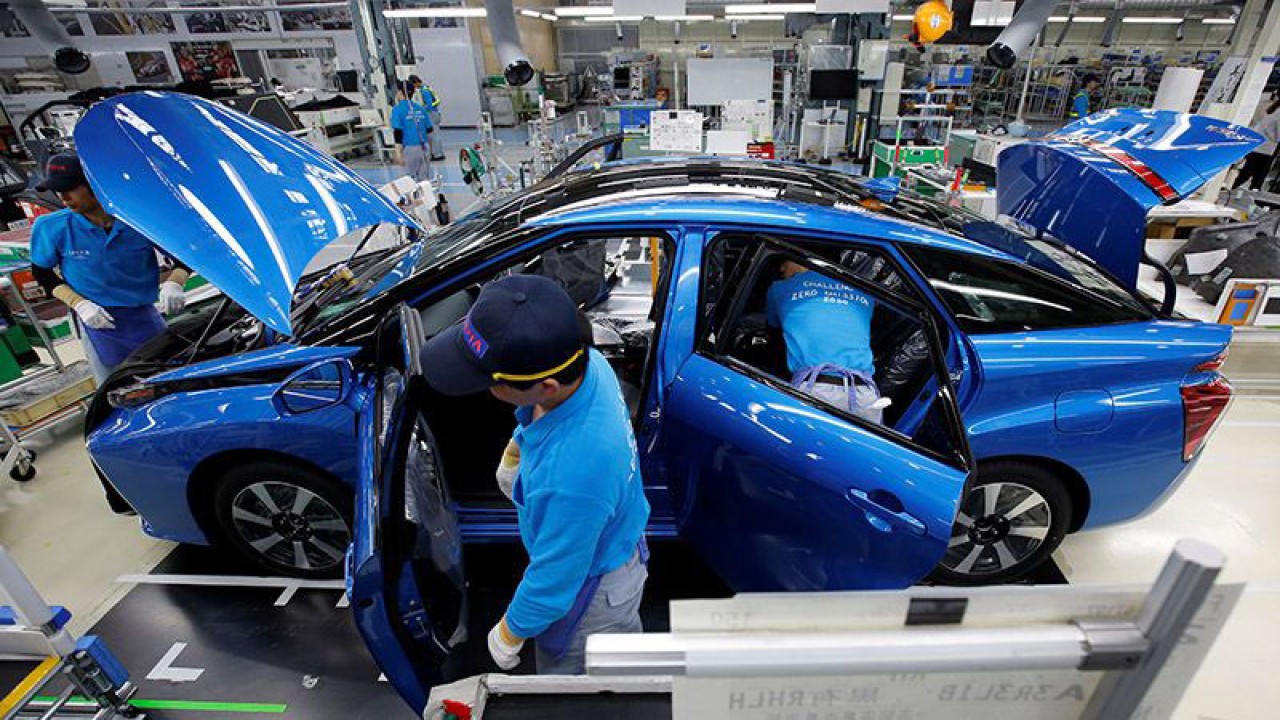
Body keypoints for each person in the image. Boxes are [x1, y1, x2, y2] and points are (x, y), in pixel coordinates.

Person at [421, 275, 650, 675]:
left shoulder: (574, 474)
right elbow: (535, 417)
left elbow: (553, 581)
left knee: (582, 690)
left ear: (544, 386)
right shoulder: (586, 363)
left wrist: (509, 633)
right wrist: (515, 452)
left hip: (593, 596)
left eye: (489, 382)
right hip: (609, 537)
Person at [29, 153, 188, 382]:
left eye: (70, 188)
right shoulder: (52, 227)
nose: (62, 196)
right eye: (57, 190)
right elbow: (42, 274)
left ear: (93, 184)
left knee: (168, 375)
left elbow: (183, 256)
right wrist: (80, 304)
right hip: (97, 319)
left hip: (143, 314)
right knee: (115, 387)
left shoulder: (137, 219)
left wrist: (175, 281)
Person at [766, 260, 889, 423]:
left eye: (784, 260)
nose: (781, 268)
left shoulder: (779, 288)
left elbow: (772, 327)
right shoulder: (864, 291)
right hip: (866, 396)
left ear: (804, 258)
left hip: (815, 391)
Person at [390, 79, 435, 182]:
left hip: (410, 149)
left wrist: (398, 154)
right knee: (424, 181)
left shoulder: (397, 110)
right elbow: (430, 131)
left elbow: (398, 133)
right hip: (424, 148)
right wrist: (429, 150)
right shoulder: (420, 108)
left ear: (400, 92)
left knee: (408, 181)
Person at [1233, 93, 1280, 191]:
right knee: (1257, 177)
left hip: (1259, 145)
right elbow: (1278, 134)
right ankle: (1237, 192)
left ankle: (1233, 189)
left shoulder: (1273, 108)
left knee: (1248, 173)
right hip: (1266, 149)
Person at [408, 75, 446, 162]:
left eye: (414, 85)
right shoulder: (426, 87)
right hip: (434, 113)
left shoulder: (424, 91)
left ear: (416, 82)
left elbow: (429, 105)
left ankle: (437, 154)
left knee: (434, 134)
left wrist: (420, 110)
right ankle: (438, 152)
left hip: (431, 114)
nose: (414, 87)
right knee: (435, 134)